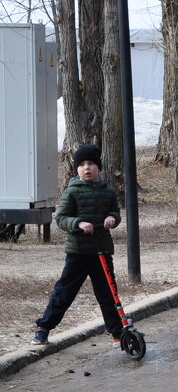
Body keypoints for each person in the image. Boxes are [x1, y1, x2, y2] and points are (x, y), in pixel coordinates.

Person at [32, 145, 124, 346]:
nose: (86, 168)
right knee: (64, 292)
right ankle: (43, 327)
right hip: (78, 251)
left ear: (98, 167)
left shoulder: (107, 191)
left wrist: (111, 218)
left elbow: (115, 213)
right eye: (81, 165)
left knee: (108, 293)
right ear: (77, 169)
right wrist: (78, 223)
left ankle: (118, 332)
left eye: (91, 163)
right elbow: (62, 218)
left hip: (102, 250)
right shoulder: (71, 192)